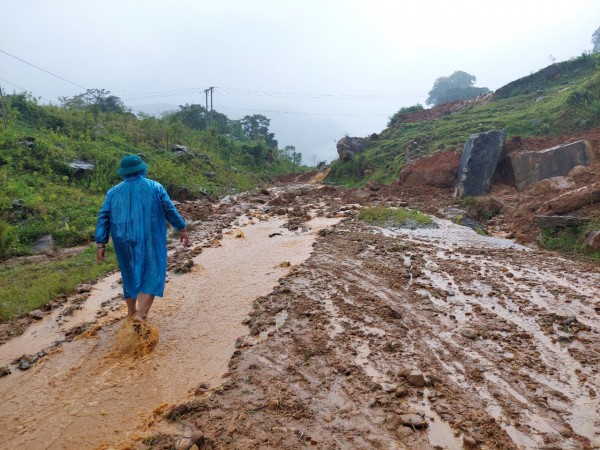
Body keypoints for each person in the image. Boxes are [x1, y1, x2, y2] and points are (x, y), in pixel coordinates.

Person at [95, 154, 189, 322]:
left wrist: (100, 243)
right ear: (142, 169)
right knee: (152, 272)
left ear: (123, 172)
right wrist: (181, 227)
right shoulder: (155, 187)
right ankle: (142, 314)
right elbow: (169, 208)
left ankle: (131, 312)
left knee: (129, 273)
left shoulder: (113, 192)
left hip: (122, 239)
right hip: (150, 237)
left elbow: (104, 216)